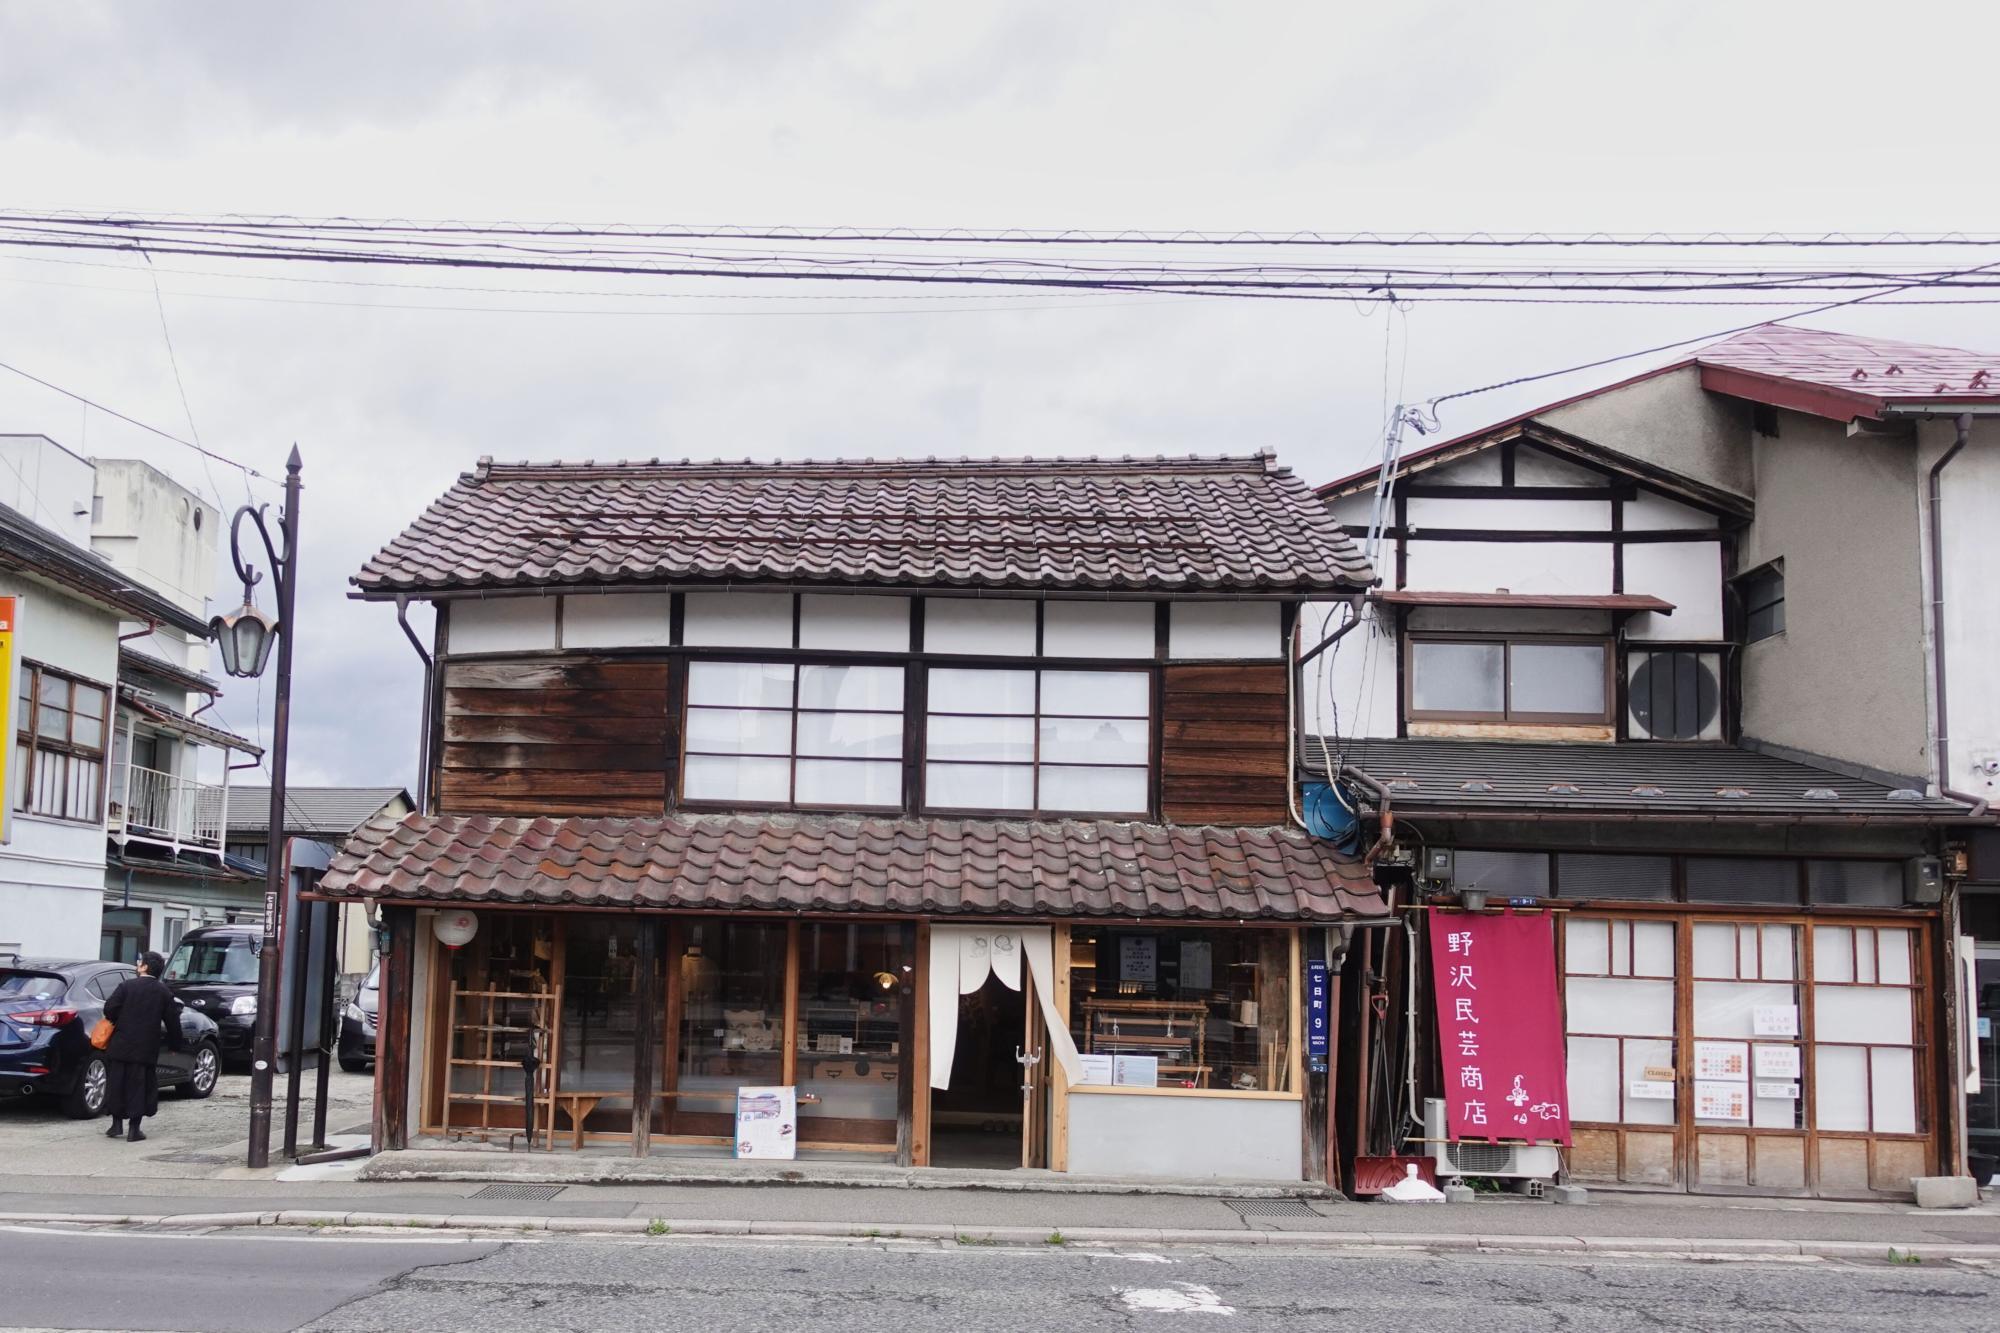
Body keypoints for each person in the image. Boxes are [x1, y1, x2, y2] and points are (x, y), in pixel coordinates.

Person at [101, 951, 185, 1142]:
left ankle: (115, 1125)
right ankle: (134, 1129)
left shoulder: (126, 986)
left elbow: (109, 1008)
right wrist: (175, 1044)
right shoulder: (163, 991)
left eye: (140, 962)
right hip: (145, 1047)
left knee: (117, 1084)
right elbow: (173, 1021)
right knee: (139, 1086)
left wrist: (119, 1019)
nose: (137, 964)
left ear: (145, 967)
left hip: (121, 1044)